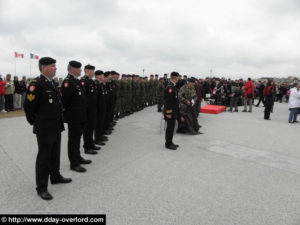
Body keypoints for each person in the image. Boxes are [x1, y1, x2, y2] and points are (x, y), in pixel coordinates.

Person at [24, 57, 72, 201]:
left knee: (55, 153)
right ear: (43, 67)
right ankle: (42, 187)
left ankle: (55, 176)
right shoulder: (36, 84)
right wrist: (36, 122)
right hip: (45, 127)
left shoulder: (52, 83)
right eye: (52, 66)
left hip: (56, 125)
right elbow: (29, 106)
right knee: (44, 157)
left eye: (55, 65)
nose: (55, 68)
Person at [61, 61, 91, 173]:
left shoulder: (76, 81)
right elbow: (65, 101)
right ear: (73, 69)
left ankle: (78, 157)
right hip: (74, 117)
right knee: (73, 140)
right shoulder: (68, 82)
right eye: (79, 69)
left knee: (77, 139)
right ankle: (74, 163)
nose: (81, 70)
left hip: (80, 116)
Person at [81, 64, 100, 154]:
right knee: (87, 129)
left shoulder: (91, 81)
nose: (93, 73)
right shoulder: (83, 81)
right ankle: (87, 147)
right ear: (87, 71)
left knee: (91, 128)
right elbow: (83, 97)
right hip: (87, 110)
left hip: (92, 109)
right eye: (92, 71)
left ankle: (91, 144)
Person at [164, 72, 180, 150]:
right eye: (178, 77)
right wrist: (168, 113)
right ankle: (168, 144)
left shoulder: (173, 85)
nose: (179, 79)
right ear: (175, 78)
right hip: (170, 112)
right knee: (170, 128)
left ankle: (170, 141)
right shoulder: (170, 87)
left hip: (173, 111)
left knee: (172, 127)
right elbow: (168, 102)